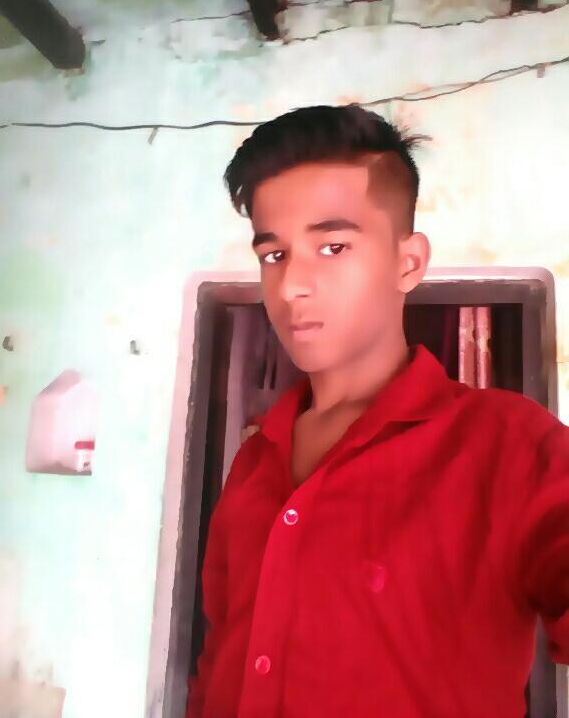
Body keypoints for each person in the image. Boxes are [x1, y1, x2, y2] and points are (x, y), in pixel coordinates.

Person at [185, 105, 569, 718]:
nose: (291, 286)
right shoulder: (253, 463)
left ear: (407, 262)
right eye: (274, 255)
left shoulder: (512, 446)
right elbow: (216, 666)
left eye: (332, 246)